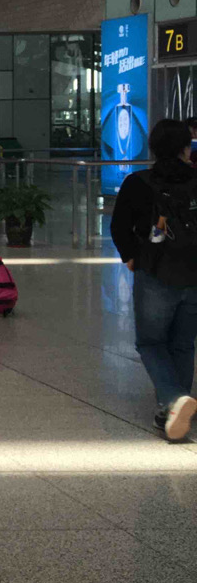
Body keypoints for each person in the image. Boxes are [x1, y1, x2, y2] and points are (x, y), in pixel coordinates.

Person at [111, 118, 197, 441]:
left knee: (151, 342)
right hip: (194, 274)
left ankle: (174, 401)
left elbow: (119, 227)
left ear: (153, 148)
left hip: (156, 272)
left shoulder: (138, 182)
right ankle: (173, 413)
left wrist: (131, 257)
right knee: (183, 343)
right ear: (185, 148)